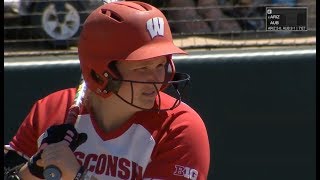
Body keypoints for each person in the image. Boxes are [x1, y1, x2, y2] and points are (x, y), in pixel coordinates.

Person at [4, 1, 210, 180]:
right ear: (102, 73)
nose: (157, 79)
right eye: (142, 68)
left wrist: (79, 176)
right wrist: (34, 169)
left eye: (160, 65)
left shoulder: (179, 127)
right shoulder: (52, 110)